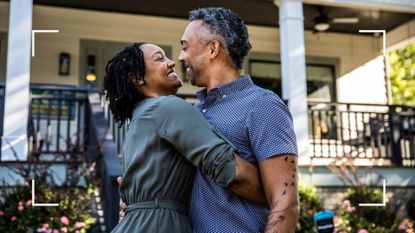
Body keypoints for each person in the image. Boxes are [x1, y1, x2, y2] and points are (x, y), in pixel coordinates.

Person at [104, 42, 264, 233]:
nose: (172, 62)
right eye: (160, 58)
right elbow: (232, 171)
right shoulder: (168, 107)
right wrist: (279, 196)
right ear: (138, 78)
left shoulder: (140, 119)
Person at [178, 7, 300, 232]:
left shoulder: (263, 105)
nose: (180, 56)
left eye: (185, 46)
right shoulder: (194, 112)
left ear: (213, 49)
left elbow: (285, 205)